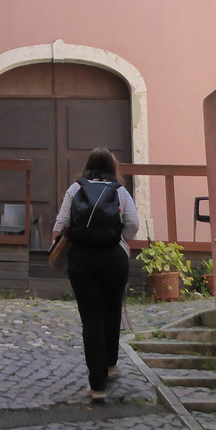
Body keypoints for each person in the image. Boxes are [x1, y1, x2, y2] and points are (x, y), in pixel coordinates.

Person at [52, 147, 140, 401]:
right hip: (114, 258)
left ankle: (97, 386)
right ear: (113, 167)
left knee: (91, 319)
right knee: (112, 311)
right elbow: (133, 224)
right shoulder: (119, 191)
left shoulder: (75, 189)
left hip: (82, 259)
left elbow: (61, 224)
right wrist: (119, 240)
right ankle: (110, 365)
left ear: (88, 166)